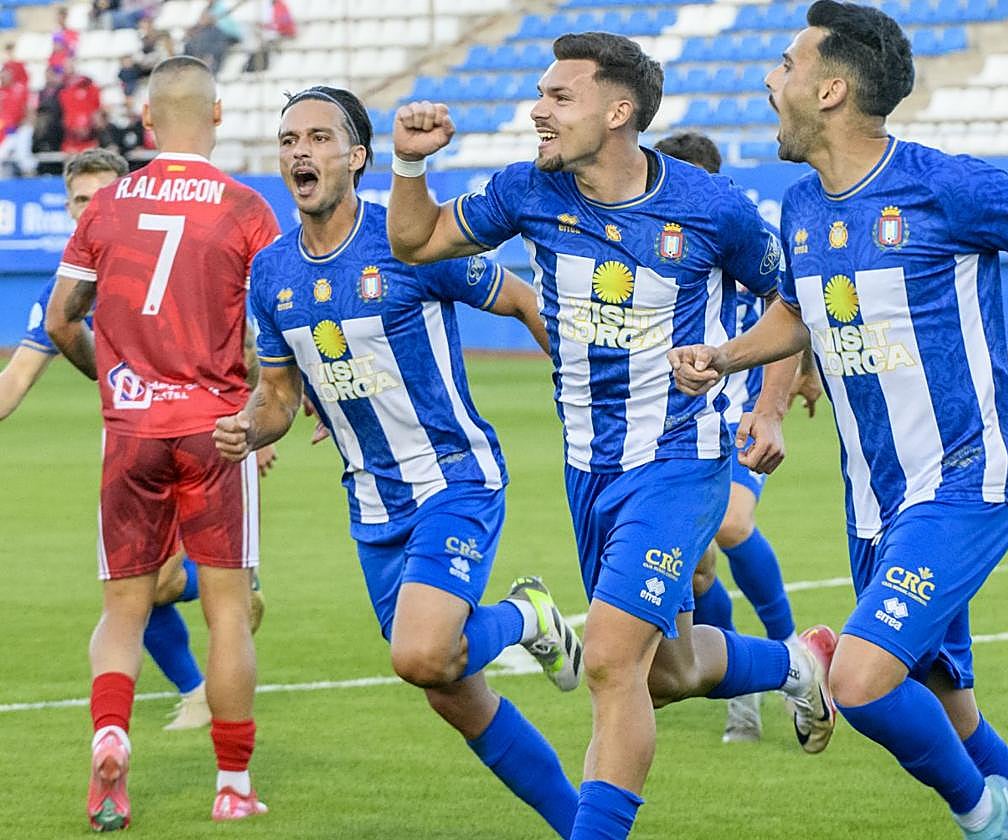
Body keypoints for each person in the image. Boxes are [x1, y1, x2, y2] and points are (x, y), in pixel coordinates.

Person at [668, 3, 1008, 839]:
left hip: (962, 485)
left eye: (787, 65)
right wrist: (727, 358)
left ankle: (983, 814)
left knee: (860, 681)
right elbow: (799, 313)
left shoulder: (945, 184)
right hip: (876, 506)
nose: (773, 80)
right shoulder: (802, 205)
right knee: (955, 716)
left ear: (832, 89)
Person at [387, 32, 837, 839]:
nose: (538, 109)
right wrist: (411, 167)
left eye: (560, 97)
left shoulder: (708, 207)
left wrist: (757, 394)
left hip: (677, 463)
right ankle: (795, 663)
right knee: (661, 672)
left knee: (604, 661)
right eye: (541, 95)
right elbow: (416, 242)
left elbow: (800, 299)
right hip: (587, 468)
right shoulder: (529, 190)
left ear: (618, 111)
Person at [211, 85, 583, 838]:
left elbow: (517, 299)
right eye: (288, 141)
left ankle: (525, 615)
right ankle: (582, 827)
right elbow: (279, 397)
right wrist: (249, 429)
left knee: (419, 653)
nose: (299, 153)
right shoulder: (273, 273)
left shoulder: (409, 242)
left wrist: (581, 390)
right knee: (453, 692)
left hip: (455, 480)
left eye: (317, 138)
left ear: (356, 158)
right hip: (372, 508)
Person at [46, 55, 281, 829]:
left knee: (123, 609)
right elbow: (274, 333)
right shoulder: (246, 207)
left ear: (146, 122)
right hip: (214, 430)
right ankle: (234, 785)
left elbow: (59, 319)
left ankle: (111, 737)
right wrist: (275, 406)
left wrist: (111, 384)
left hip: (132, 428)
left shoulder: (105, 204)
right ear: (217, 116)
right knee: (226, 612)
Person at [0, 147, 272, 733]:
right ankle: (199, 683)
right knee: (143, 585)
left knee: (149, 584)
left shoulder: (181, 268)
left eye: (98, 195)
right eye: (78, 199)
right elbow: (13, 383)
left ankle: (227, 603)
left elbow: (249, 351)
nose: (87, 208)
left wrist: (256, 427)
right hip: (139, 449)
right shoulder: (66, 288)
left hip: (202, 441)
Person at [653, 129, 824, 743]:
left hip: (740, 409)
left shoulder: (736, 229)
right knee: (697, 573)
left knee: (731, 523)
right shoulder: (655, 245)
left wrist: (793, 382)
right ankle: (751, 688)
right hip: (676, 423)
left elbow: (796, 309)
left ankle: (792, 650)